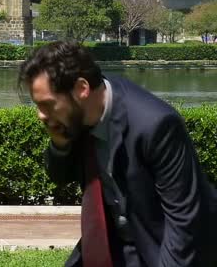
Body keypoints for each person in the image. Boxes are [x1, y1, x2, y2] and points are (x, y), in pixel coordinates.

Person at [18, 41, 217, 267]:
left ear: (82, 89)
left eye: (47, 105)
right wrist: (60, 144)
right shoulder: (79, 115)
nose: (41, 115)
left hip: (162, 248)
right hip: (113, 244)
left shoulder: (155, 125)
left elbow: (184, 224)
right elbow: (60, 177)